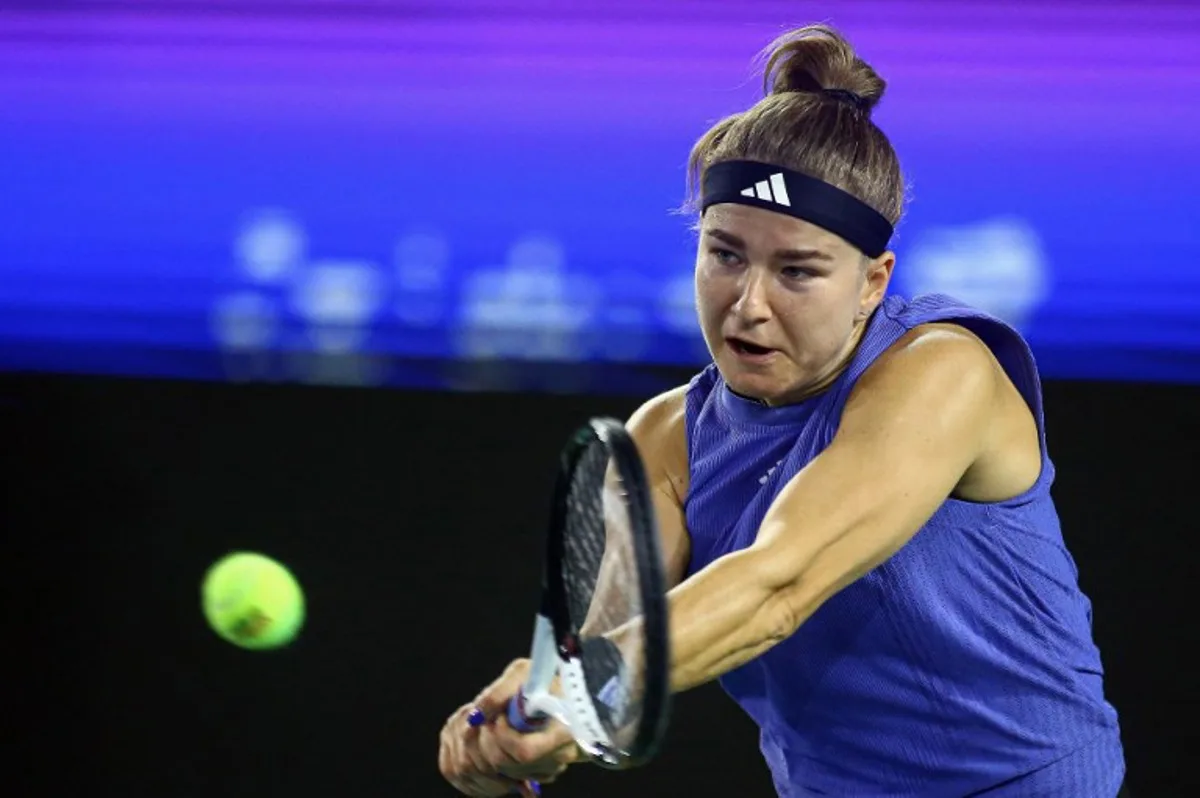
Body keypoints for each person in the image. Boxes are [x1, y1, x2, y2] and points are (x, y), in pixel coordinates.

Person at [438, 23, 1127, 797]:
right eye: (724, 254)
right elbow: (612, 673)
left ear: (873, 282)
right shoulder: (664, 441)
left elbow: (777, 587)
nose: (749, 305)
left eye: (797, 271)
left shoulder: (944, 372)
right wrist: (525, 731)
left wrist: (577, 690)